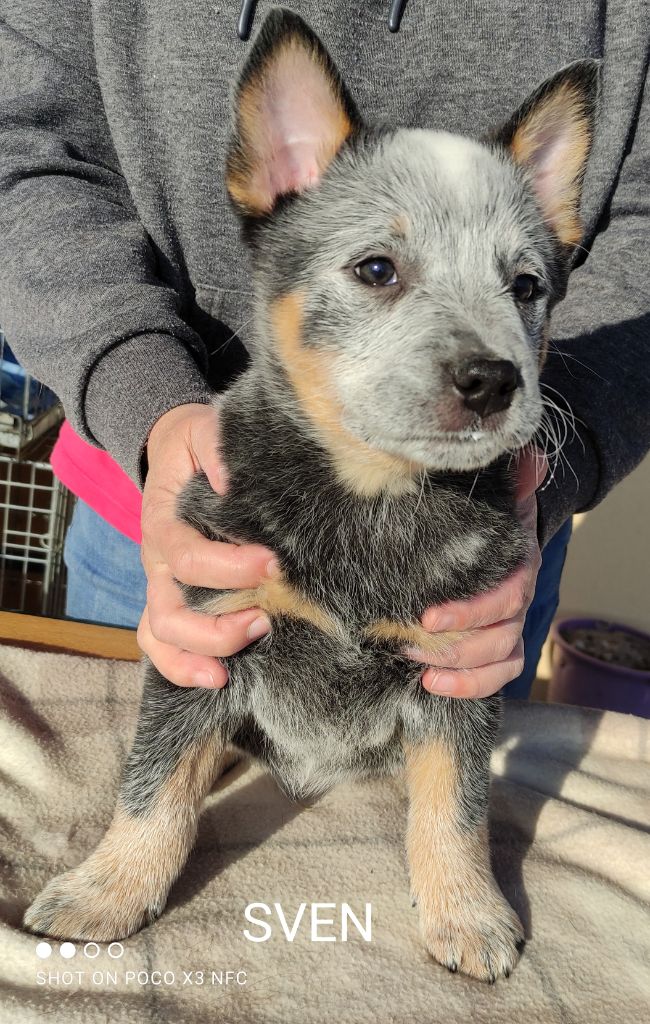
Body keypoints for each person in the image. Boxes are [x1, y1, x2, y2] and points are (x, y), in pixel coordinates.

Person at [0, 1, 647, 701]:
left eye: (520, 286)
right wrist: (142, 393)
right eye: (379, 270)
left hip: (484, 521)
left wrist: (556, 463)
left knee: (443, 745)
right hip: (171, 498)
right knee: (170, 727)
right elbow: (24, 140)